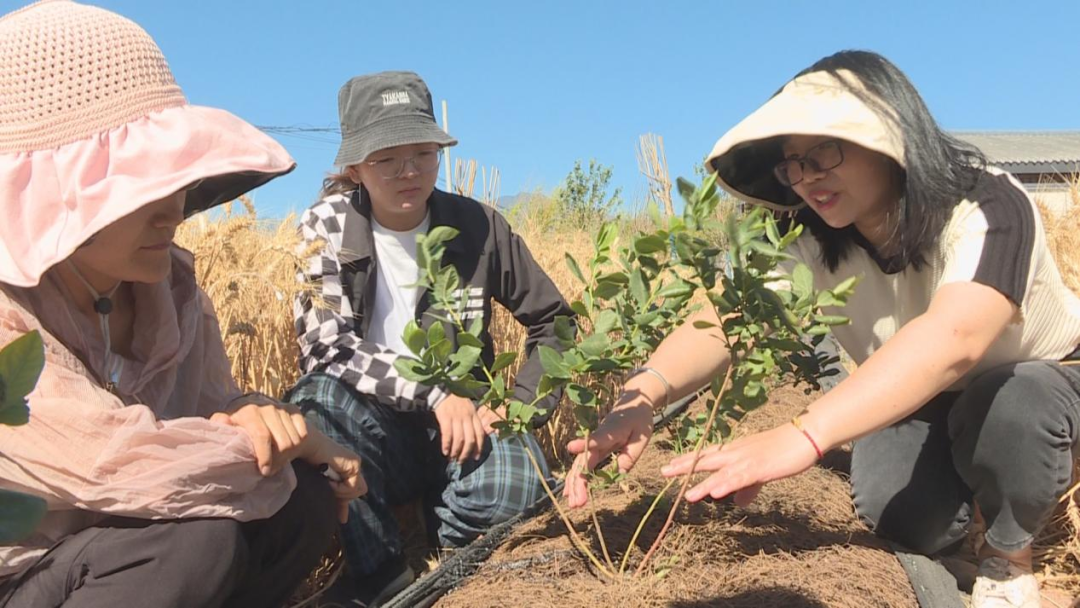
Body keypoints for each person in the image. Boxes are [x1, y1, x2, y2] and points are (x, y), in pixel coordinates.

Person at [565, 50, 1080, 608]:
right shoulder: (810, 238)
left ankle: (1009, 554)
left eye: (824, 153)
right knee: (897, 512)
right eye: (793, 165)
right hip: (926, 396)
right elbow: (727, 318)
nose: (807, 179)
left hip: (1042, 378)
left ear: (891, 133)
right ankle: (967, 515)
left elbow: (956, 338)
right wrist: (643, 394)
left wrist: (803, 435)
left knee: (1013, 408)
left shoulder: (989, 204)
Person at [0, 2, 365, 607]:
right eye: (143, 186)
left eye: (175, 180)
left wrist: (255, 414)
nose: (176, 207)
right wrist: (297, 438)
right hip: (24, 573)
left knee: (301, 496)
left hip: (113, 552)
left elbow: (211, 405)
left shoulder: (171, 289)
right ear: (54, 198)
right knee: (195, 541)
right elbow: (113, 463)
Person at [289, 70, 572, 605]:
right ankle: (380, 570)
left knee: (518, 484)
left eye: (423, 152)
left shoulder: (479, 226)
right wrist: (436, 393)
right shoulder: (325, 225)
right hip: (370, 438)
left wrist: (519, 408)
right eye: (386, 159)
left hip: (463, 434)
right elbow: (326, 347)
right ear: (354, 167)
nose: (408, 172)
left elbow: (554, 320)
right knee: (315, 403)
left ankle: (450, 545)